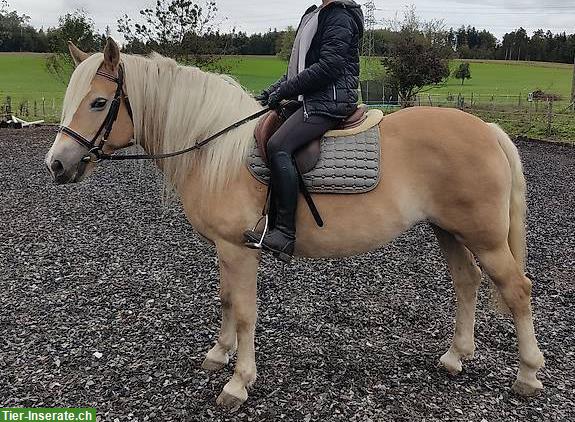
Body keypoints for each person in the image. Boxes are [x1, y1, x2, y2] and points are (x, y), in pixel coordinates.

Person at [245, 0, 364, 262]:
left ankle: (285, 234)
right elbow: (297, 68)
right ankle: (268, 220)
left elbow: (329, 66)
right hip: (310, 98)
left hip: (330, 100)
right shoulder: (312, 14)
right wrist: (273, 89)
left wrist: (285, 92)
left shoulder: (340, 16)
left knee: (279, 146)